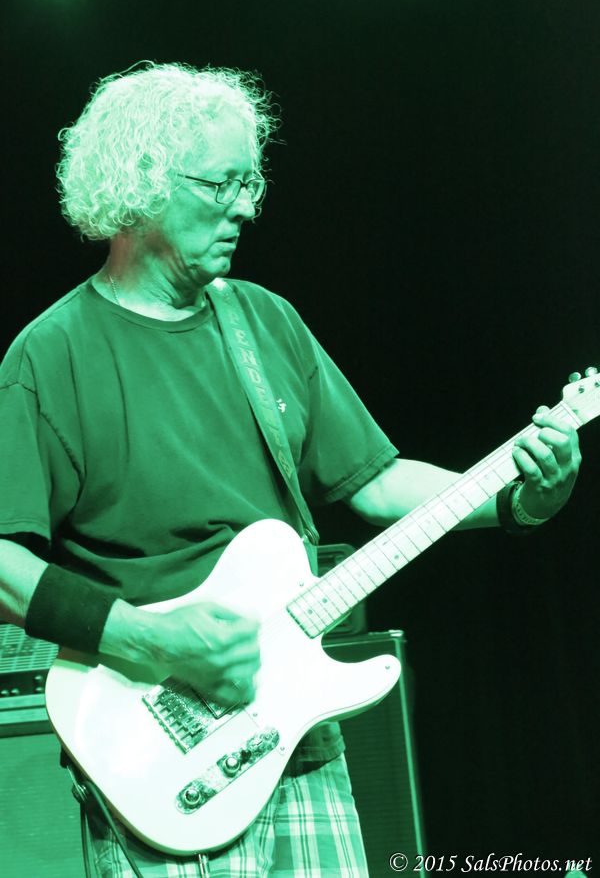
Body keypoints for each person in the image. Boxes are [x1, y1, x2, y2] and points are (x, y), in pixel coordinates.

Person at [0, 61, 581, 877]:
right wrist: (154, 639)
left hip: (301, 746)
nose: (245, 207)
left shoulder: (264, 321)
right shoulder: (50, 355)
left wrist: (521, 497)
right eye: (220, 183)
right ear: (141, 184)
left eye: (251, 183)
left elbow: (376, 484)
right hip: (156, 769)